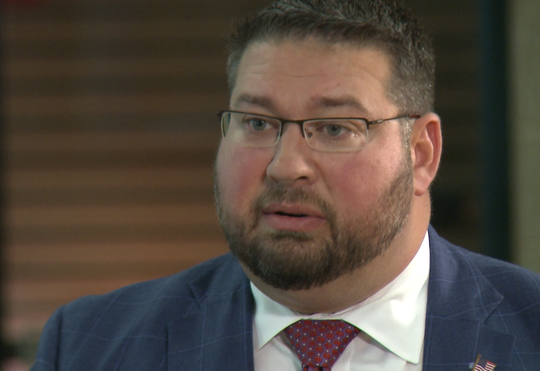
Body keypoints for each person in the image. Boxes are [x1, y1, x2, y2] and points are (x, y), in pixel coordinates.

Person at [30, 0, 540, 370]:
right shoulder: (89, 346)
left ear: (421, 154)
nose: (285, 166)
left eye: (335, 128)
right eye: (256, 123)